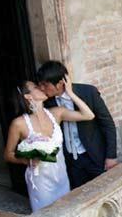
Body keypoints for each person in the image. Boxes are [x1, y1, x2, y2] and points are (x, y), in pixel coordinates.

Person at [4, 77, 96, 212]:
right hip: (40, 181)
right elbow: (8, 154)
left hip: (61, 175)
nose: (41, 87)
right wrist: (26, 159)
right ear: (28, 96)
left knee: (66, 212)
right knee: (45, 216)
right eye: (35, 87)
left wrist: (70, 93)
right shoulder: (19, 123)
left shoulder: (57, 113)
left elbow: (88, 115)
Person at [36, 61, 117, 189]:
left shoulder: (88, 92)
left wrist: (111, 156)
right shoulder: (47, 102)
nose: (42, 89)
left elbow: (107, 124)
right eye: (40, 85)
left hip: (94, 156)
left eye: (45, 85)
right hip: (71, 162)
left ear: (60, 83)